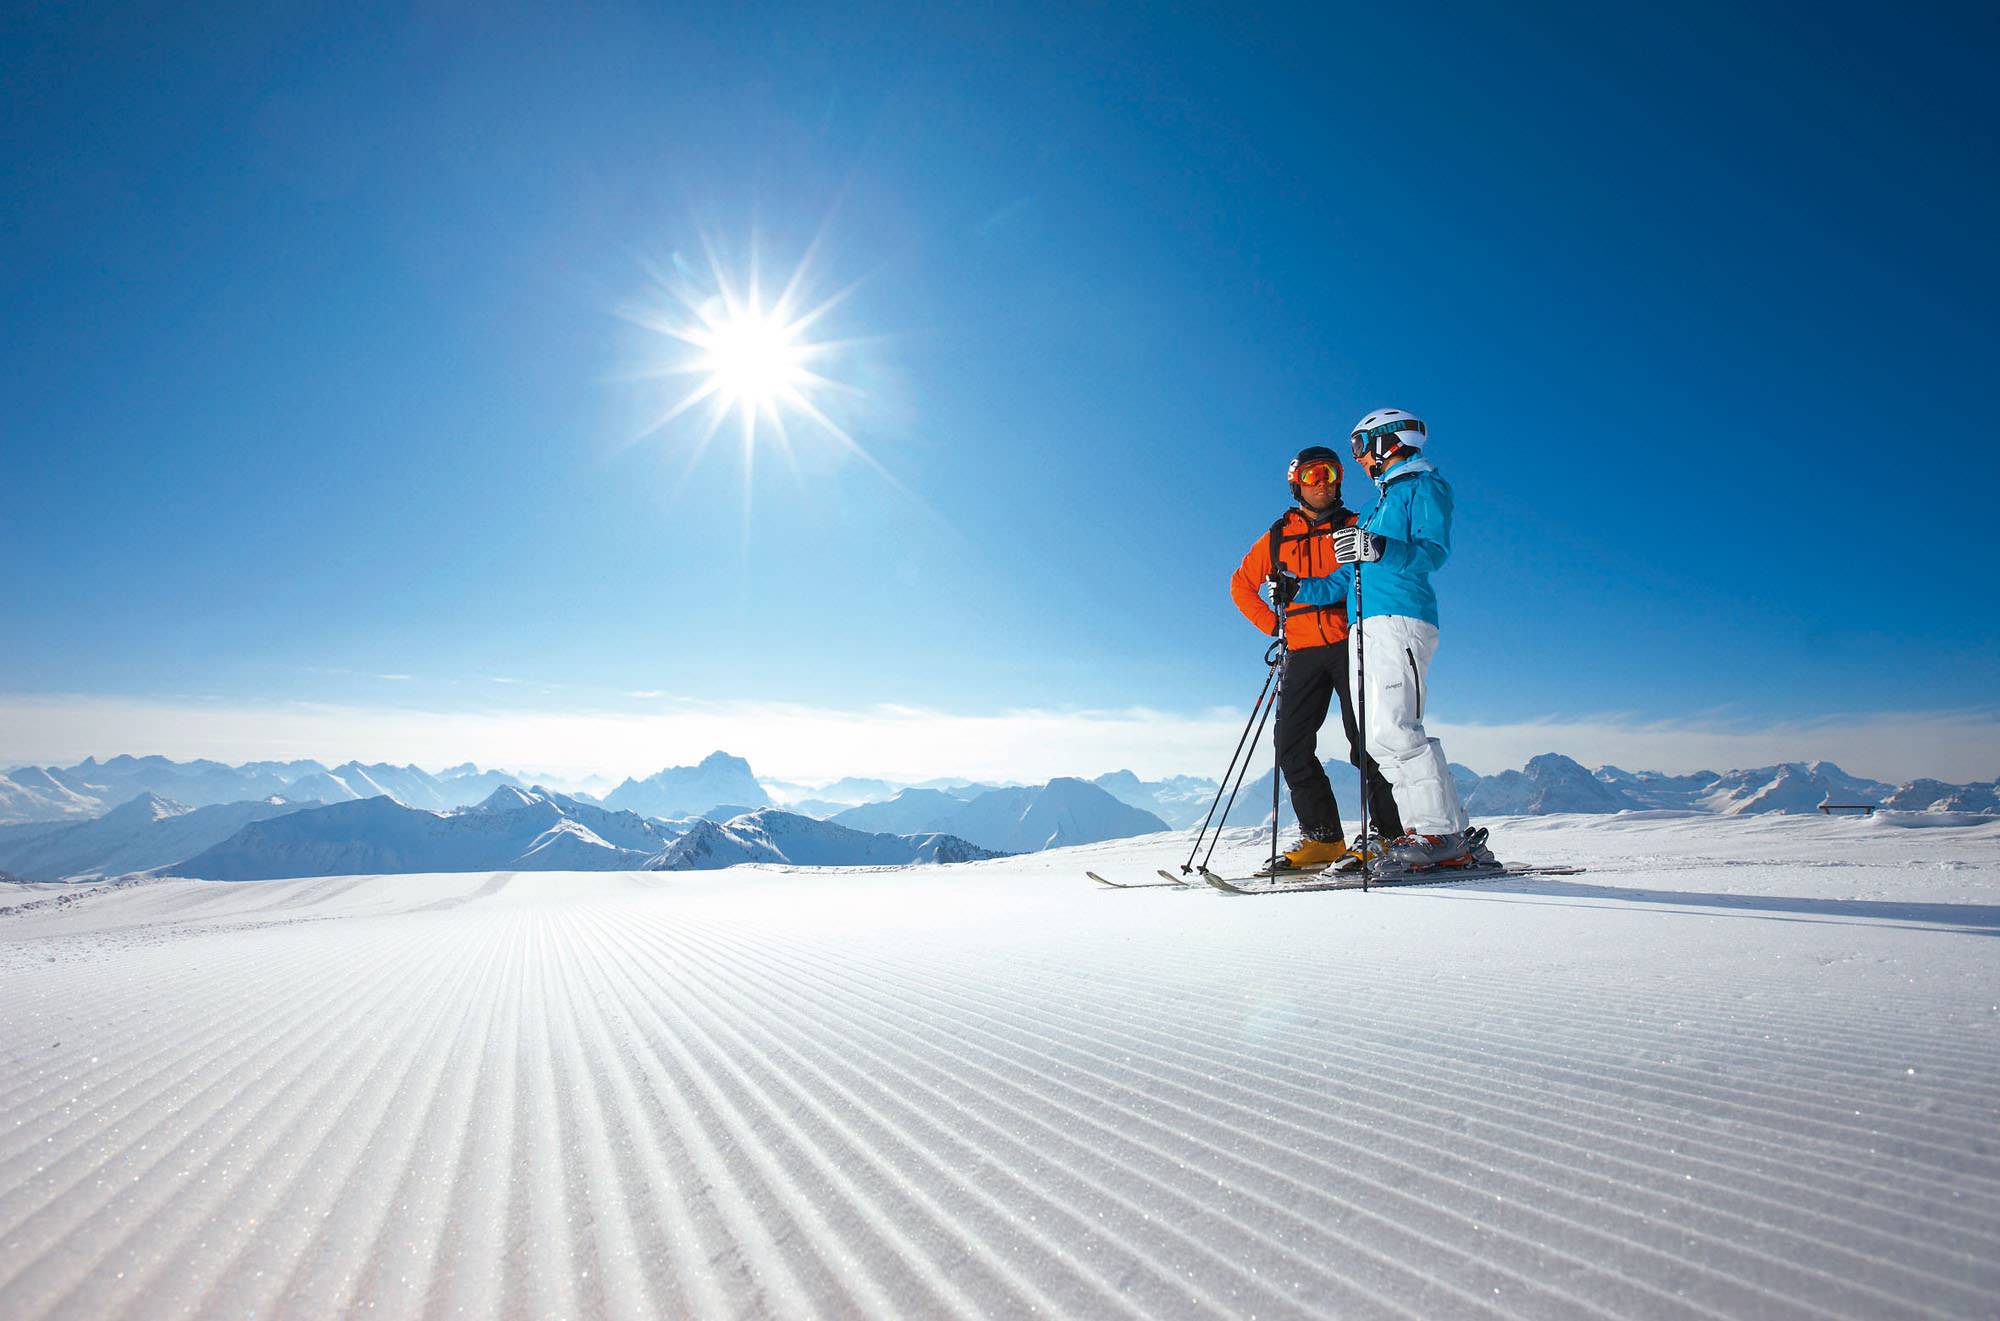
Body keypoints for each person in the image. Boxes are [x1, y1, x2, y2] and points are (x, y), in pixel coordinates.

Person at [1290, 409, 1481, 871]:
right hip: (1366, 625)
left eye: (1359, 447)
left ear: (1384, 442)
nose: (1356, 459)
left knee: (1399, 728)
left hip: (1401, 618)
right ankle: (1428, 833)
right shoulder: (1383, 501)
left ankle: (1441, 835)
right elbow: (1345, 580)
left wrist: (1379, 548)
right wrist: (1300, 589)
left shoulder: (1424, 487)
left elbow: (1432, 553)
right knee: (1377, 738)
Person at [1229, 445, 1404, 872]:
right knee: (1290, 745)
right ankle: (1323, 839)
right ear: (1296, 483)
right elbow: (1240, 585)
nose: (1322, 482)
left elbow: (1382, 572)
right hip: (1301, 650)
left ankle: (1389, 837)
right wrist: (1273, 626)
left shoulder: (1355, 525)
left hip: (1352, 643)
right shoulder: (1276, 537)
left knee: (1367, 742)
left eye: (1329, 473)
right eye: (1312, 475)